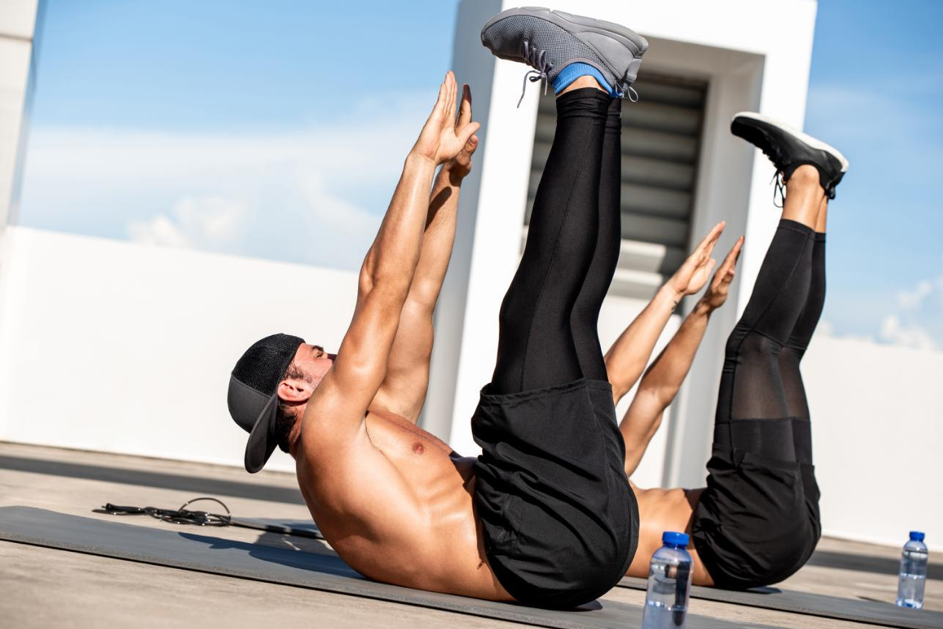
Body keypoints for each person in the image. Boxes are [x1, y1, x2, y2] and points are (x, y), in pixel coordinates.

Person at [227, 8, 649, 608]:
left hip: (569, 536)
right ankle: (581, 80)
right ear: (292, 390)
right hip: (539, 547)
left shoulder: (370, 429)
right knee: (532, 318)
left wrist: (450, 180)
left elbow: (417, 298)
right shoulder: (325, 439)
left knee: (571, 311)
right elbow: (380, 287)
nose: (334, 354)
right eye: (316, 355)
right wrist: (418, 164)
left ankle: (602, 94)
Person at [605, 112, 847, 589]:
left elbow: (655, 395)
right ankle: (804, 180)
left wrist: (703, 310)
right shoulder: (570, 496)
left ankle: (818, 194)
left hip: (778, 533)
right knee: (755, 349)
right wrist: (674, 294)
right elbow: (621, 383)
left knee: (780, 353)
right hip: (743, 537)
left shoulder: (597, 473)